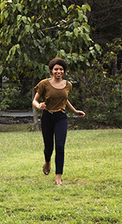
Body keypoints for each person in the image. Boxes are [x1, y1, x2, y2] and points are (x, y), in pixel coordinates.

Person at [32, 57, 85, 185]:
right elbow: (35, 100)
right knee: (49, 147)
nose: (58, 71)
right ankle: (47, 161)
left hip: (61, 117)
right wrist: (39, 106)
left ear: (64, 71)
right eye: (56, 69)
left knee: (60, 146)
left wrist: (75, 111)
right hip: (47, 117)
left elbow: (64, 100)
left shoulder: (68, 85)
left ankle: (58, 177)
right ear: (51, 70)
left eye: (61, 69)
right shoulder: (44, 84)